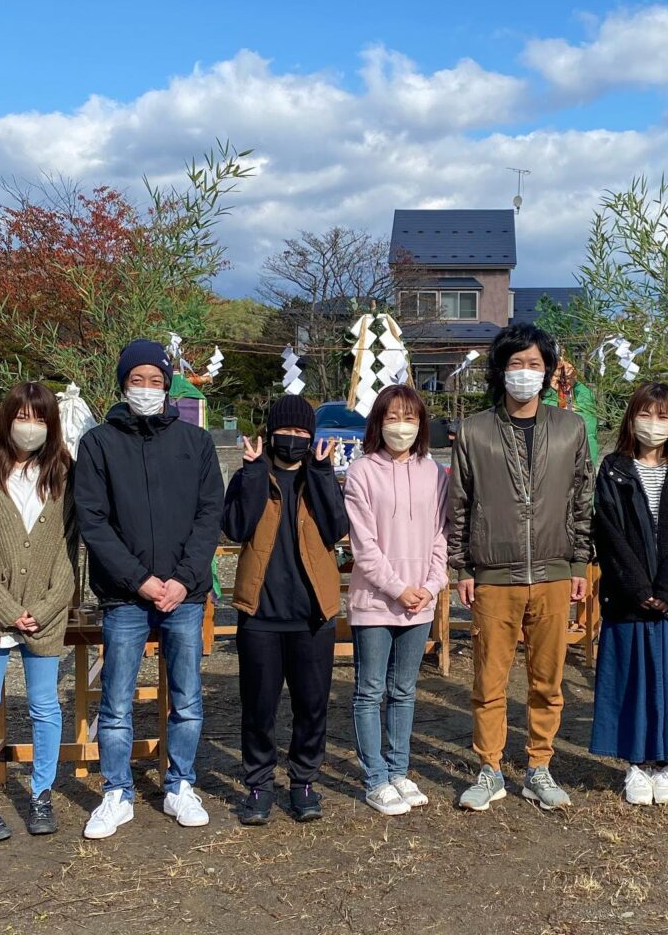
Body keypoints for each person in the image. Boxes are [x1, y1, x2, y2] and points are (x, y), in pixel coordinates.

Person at [75, 339, 224, 838]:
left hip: (184, 595)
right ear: (123, 384)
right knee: (116, 700)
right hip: (125, 596)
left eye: (155, 381)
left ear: (169, 387)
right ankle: (116, 792)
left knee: (187, 697)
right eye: (137, 380)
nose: (146, 389)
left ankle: (180, 782)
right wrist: (139, 579)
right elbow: (93, 521)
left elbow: (210, 516)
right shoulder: (98, 443)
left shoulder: (196, 443)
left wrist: (181, 579)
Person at [449, 323, 593, 812]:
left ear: (548, 373)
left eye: (534, 365)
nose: (525, 373)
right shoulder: (474, 430)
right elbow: (459, 504)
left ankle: (538, 768)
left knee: (547, 680)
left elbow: (582, 501)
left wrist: (579, 562)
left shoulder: (570, 428)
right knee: (489, 681)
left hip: (553, 574)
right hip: (493, 576)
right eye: (516, 364)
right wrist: (462, 568)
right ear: (500, 370)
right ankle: (489, 769)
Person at [0, 382, 78, 841]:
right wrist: (7, 609)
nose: (30, 426)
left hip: (44, 613)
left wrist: (45, 608)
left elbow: (70, 553)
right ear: (7, 419)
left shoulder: (64, 472)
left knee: (45, 705)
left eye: (40, 418)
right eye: (22, 416)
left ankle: (42, 795)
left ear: (52, 424)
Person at [222, 395, 348, 826]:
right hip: (260, 613)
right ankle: (258, 784)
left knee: (312, 705)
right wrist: (254, 472)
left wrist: (324, 473)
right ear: (270, 432)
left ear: (311, 437)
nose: (292, 439)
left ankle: (303, 782)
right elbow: (236, 526)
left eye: (301, 433)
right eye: (285, 432)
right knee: (258, 706)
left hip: (313, 614)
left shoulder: (320, 477)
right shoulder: (250, 475)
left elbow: (337, 528)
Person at [589, 382, 668, 805]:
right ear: (632, 418)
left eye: (663, 416)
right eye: (646, 414)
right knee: (630, 679)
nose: (654, 424)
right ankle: (636, 764)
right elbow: (608, 534)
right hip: (628, 597)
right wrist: (639, 588)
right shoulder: (613, 468)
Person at [344, 385, 448, 815]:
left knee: (404, 690)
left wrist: (432, 584)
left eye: (409, 417)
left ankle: (400, 770)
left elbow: (443, 535)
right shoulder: (361, 471)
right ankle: (375, 778)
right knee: (370, 690)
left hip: (420, 600)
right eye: (392, 417)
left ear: (421, 423)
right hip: (375, 600)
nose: (401, 425)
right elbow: (362, 544)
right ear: (378, 422)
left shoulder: (435, 473)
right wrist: (396, 587)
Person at [542, 355, 599, 466]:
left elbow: (589, 435)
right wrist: (549, 388)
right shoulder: (540, 394)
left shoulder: (582, 392)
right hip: (551, 467)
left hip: (583, 467)